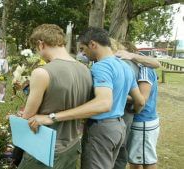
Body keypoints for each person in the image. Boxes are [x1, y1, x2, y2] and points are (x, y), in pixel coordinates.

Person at [28, 27, 146, 169]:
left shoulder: (101, 67)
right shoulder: (125, 66)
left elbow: (104, 104)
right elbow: (140, 101)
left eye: (83, 48)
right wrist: (132, 110)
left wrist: (52, 117)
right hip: (120, 126)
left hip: (102, 129)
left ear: (93, 44)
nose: (83, 53)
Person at [18, 24, 93, 169]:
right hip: (72, 146)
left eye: (36, 49)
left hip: (44, 150)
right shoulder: (85, 70)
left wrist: (19, 117)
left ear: (41, 44)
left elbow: (28, 117)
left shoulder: (42, 72)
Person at [111, 40, 161, 169]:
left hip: (143, 120)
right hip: (141, 120)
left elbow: (142, 99)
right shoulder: (141, 67)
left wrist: (113, 95)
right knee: (135, 159)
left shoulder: (144, 69)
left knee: (147, 160)